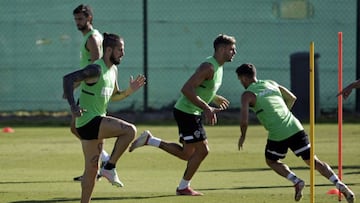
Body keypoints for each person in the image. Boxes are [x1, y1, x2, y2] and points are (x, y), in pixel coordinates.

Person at [129, 34, 236, 196]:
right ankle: (183, 187)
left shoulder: (218, 67)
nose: (234, 52)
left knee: (187, 154)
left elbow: (201, 87)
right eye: (231, 49)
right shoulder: (209, 67)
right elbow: (186, 89)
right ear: (221, 49)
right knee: (203, 151)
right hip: (187, 112)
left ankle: (150, 140)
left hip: (191, 111)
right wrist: (207, 107)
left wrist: (214, 97)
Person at [235, 63, 355, 202]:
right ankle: (341, 185)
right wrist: (283, 114)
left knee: (271, 161)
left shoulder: (247, 94)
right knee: (313, 161)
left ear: (243, 78)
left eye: (240, 80)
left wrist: (243, 136)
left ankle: (296, 181)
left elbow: (244, 120)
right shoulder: (271, 83)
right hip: (295, 126)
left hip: (277, 133)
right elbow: (292, 98)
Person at [63, 33, 146, 203]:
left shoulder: (113, 70)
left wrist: (129, 90)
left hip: (94, 123)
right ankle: (109, 167)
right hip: (89, 122)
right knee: (130, 131)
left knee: (91, 169)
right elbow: (68, 79)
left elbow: (114, 96)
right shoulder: (96, 69)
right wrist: (73, 106)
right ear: (109, 50)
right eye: (120, 50)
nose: (123, 53)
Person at [72, 4, 110, 181]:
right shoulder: (93, 36)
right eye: (76, 19)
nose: (77, 22)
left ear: (89, 19)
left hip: (91, 90)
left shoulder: (92, 38)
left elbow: (95, 66)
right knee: (82, 128)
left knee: (80, 128)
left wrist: (78, 82)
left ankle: (103, 163)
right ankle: (98, 166)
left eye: (80, 19)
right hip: (90, 88)